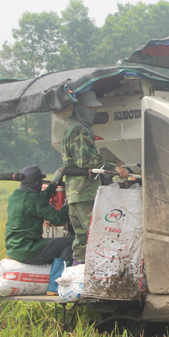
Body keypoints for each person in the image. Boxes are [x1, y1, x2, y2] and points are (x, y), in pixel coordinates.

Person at [61, 90, 127, 265]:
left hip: (76, 193)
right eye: (90, 107)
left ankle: (77, 277)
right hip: (84, 193)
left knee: (82, 240)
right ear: (80, 108)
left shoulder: (72, 126)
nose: (93, 111)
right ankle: (93, 276)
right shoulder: (78, 129)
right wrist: (114, 167)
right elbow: (86, 160)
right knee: (95, 235)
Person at [4, 165, 73, 295]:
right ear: (37, 184)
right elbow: (58, 219)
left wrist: (54, 182)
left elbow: (38, 201)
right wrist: (69, 203)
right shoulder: (33, 200)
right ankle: (55, 286)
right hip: (29, 250)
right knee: (70, 242)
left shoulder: (15, 196)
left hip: (14, 249)